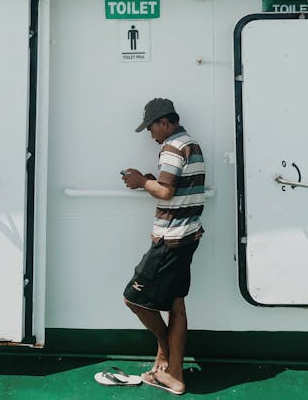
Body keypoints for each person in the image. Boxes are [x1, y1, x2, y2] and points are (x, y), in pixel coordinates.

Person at [122, 97, 205, 396]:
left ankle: (167, 360)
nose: (151, 134)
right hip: (189, 236)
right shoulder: (191, 144)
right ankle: (172, 370)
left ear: (165, 123)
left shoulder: (171, 147)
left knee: (133, 298)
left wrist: (139, 182)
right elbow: (176, 186)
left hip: (170, 240)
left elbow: (166, 192)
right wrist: (149, 179)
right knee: (176, 304)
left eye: (151, 128)